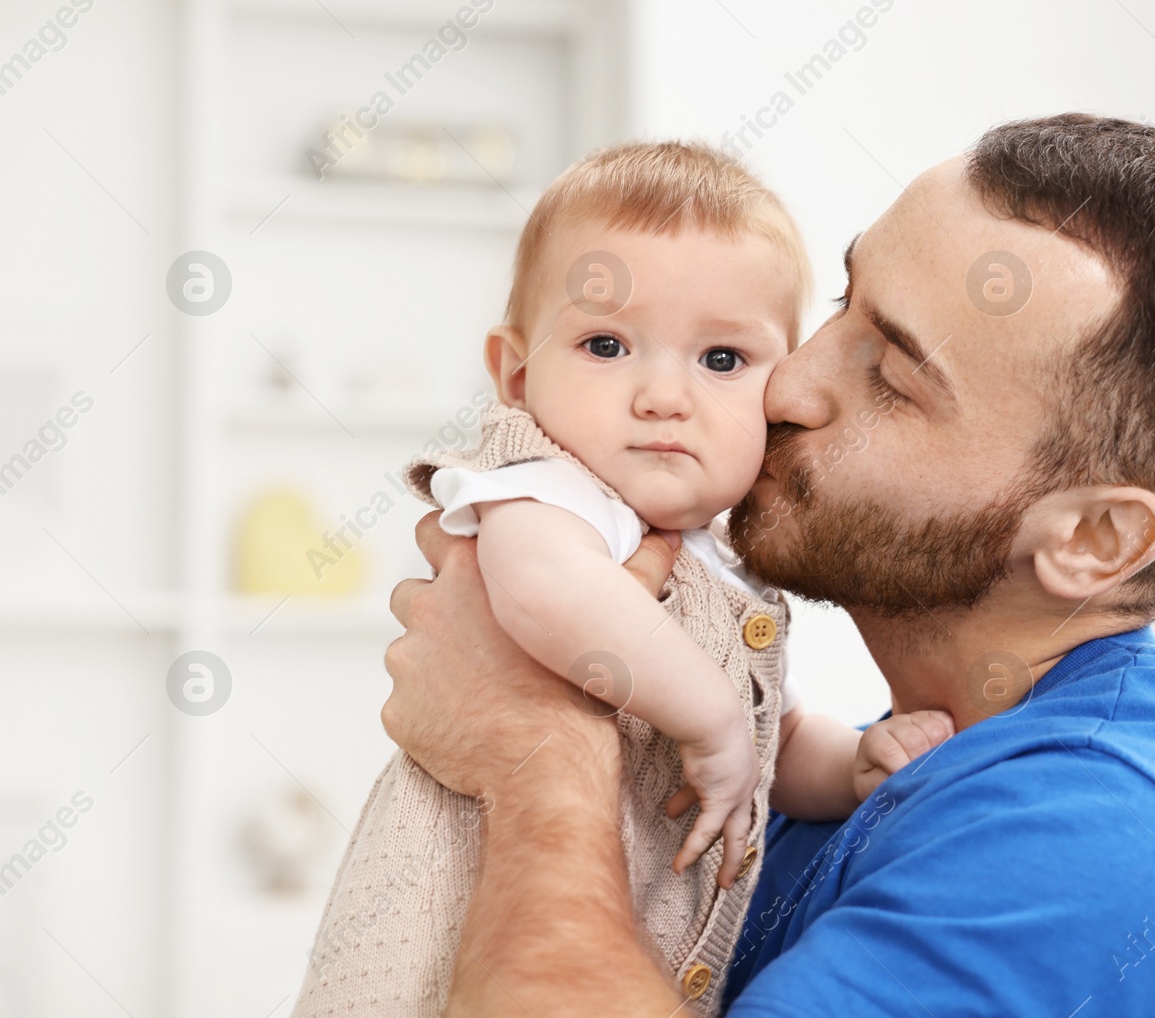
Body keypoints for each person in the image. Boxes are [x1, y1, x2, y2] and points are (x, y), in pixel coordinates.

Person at [379, 114, 1155, 1016]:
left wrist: (531, 751)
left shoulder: (1108, 852)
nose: (790, 385)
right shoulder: (914, 766)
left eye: (895, 377)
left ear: (1092, 540)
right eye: (841, 303)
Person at [293, 142, 954, 1018]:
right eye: (607, 344)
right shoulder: (549, 487)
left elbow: (773, 741)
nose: (662, 395)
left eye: (721, 359)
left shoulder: (719, 560)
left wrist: (850, 766)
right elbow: (546, 590)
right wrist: (712, 719)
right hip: (438, 958)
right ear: (519, 375)